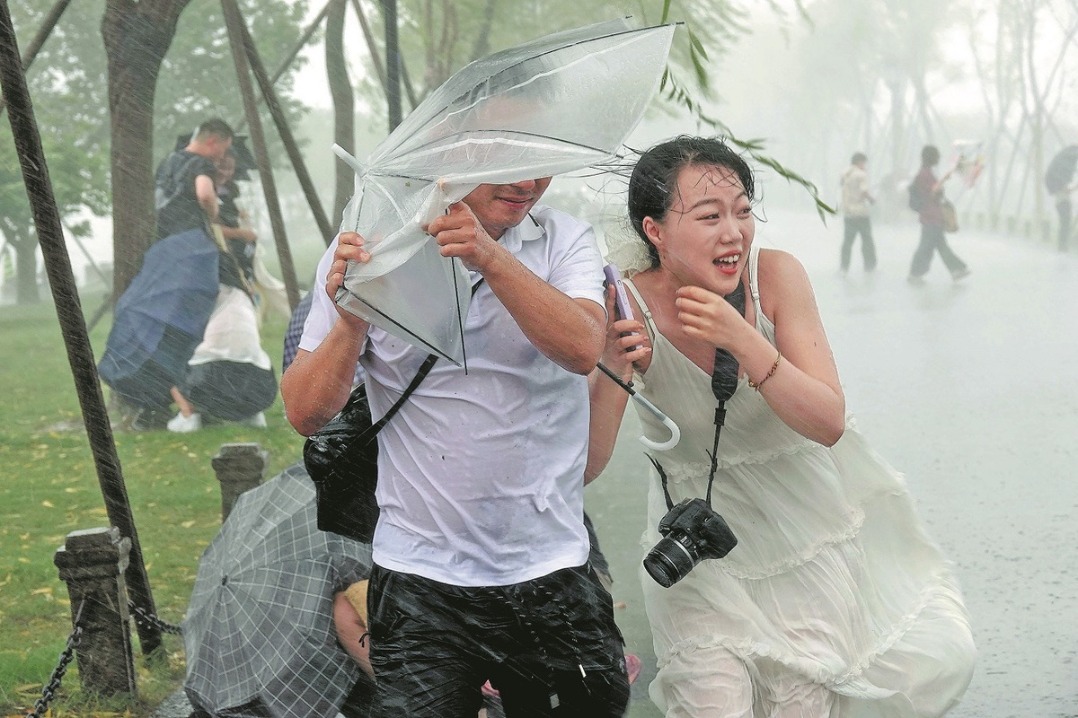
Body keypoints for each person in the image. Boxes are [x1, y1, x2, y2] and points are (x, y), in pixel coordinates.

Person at [589, 136, 976, 717]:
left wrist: (743, 339)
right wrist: (612, 368)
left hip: (805, 545)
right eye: (709, 216)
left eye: (743, 212)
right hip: (703, 559)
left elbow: (828, 421)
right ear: (655, 231)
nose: (734, 233)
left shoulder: (775, 277)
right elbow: (587, 464)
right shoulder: (625, 305)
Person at [282, 178, 630, 717]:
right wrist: (352, 316)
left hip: (550, 566)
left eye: (537, 165)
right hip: (419, 576)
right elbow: (306, 413)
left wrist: (488, 255)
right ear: (457, 154)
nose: (527, 182)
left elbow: (583, 347)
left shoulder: (562, 238)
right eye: (506, 163)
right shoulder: (372, 246)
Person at [99, 118, 235, 429]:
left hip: (164, 248)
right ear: (213, 141)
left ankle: (153, 397)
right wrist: (213, 212)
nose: (221, 158)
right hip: (192, 249)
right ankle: (192, 398)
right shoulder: (201, 163)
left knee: (155, 321)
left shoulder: (169, 162)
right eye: (222, 149)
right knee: (189, 326)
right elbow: (204, 194)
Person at [165, 152, 277, 432]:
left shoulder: (201, 285)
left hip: (209, 373)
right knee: (238, 352)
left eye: (229, 167)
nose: (225, 172)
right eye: (220, 167)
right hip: (257, 381)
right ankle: (249, 412)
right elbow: (213, 229)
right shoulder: (236, 289)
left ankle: (190, 414)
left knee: (177, 352)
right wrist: (241, 234)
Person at [907, 145, 969, 284]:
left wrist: (942, 182)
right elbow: (933, 192)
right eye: (937, 155)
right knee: (928, 246)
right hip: (931, 216)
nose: (939, 158)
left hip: (932, 215)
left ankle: (955, 270)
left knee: (936, 245)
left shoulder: (925, 173)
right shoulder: (925, 174)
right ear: (931, 157)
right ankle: (916, 273)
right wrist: (942, 182)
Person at [839, 151, 876, 273]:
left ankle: (844, 267)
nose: (865, 166)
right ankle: (870, 266)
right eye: (864, 163)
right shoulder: (861, 174)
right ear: (860, 162)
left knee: (847, 241)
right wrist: (872, 200)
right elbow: (864, 191)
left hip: (848, 213)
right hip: (860, 213)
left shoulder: (844, 174)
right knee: (867, 240)